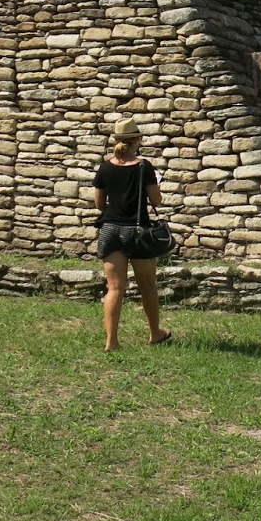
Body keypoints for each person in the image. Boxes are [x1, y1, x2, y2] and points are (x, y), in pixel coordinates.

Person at [92, 119, 171, 350]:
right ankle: (155, 333)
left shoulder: (105, 167)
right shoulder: (143, 166)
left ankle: (111, 342)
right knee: (147, 285)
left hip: (109, 230)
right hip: (137, 231)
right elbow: (156, 200)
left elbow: (99, 204)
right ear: (137, 140)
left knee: (114, 288)